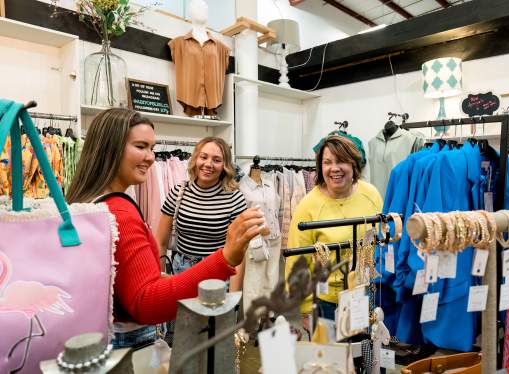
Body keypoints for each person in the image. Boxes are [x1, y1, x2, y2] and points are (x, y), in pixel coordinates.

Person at [66, 108, 264, 348]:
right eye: (141, 146)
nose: (151, 157)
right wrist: (225, 258)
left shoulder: (89, 202)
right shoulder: (122, 212)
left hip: (104, 332)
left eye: (152, 148)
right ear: (111, 148)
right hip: (128, 338)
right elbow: (146, 303)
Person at [285, 135, 383, 322]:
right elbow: (297, 263)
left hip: (364, 293)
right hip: (325, 302)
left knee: (363, 348)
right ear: (320, 168)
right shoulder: (308, 206)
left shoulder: (370, 194)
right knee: (330, 351)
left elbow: (379, 241)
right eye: (327, 162)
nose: (334, 168)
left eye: (341, 161)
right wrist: (304, 310)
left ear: (354, 164)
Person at [155, 137, 247, 292]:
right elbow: (161, 242)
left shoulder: (234, 198)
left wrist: (234, 298)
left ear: (225, 166)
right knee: (182, 316)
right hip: (181, 271)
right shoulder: (178, 192)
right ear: (195, 159)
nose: (208, 164)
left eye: (217, 160)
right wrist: (159, 280)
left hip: (217, 273)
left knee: (213, 316)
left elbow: (238, 253)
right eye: (203, 157)